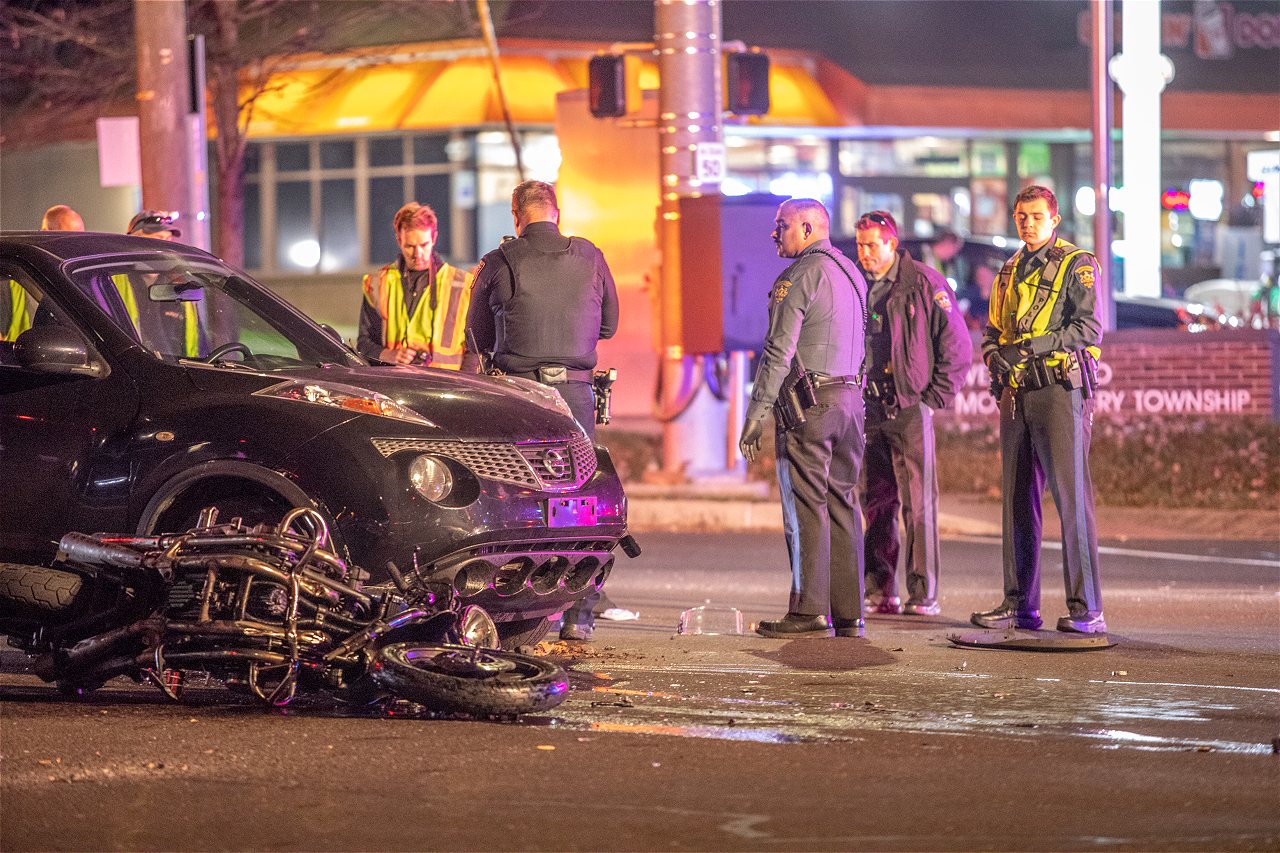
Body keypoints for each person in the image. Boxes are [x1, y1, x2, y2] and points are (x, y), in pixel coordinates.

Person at [463, 179, 619, 641]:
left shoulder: (499, 261)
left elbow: (477, 335)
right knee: (579, 499)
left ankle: (520, 605)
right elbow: (609, 324)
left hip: (521, 397)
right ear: (557, 212)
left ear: (517, 215)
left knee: (521, 497)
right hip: (575, 396)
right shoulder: (591, 256)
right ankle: (580, 613)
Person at [971, 185, 1106, 634]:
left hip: (1058, 390)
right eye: (1020, 216)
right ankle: (1019, 605)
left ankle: (1087, 609)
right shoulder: (1008, 269)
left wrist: (1029, 348)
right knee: (1016, 503)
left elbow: (1088, 327)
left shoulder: (1077, 265)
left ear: (1054, 219)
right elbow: (992, 331)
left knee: (1071, 502)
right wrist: (994, 357)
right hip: (1017, 394)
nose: (1027, 223)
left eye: (1035, 215)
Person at [739, 198, 866, 639]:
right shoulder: (852, 273)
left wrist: (755, 413)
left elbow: (778, 352)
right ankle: (849, 613)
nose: (775, 234)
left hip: (810, 407)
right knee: (843, 505)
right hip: (850, 401)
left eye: (783, 226)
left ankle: (809, 609)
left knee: (805, 507)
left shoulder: (798, 276)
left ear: (809, 229)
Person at [854, 211, 971, 617]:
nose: (865, 253)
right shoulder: (856, 284)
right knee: (876, 501)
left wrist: (932, 398)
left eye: (872, 245)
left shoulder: (922, 282)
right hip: (869, 407)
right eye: (860, 245)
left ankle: (923, 592)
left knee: (918, 504)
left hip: (908, 405)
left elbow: (957, 345)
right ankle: (880, 589)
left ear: (892, 242)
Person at [358, 202, 473, 369]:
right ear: (399, 240)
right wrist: (389, 355)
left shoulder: (463, 284)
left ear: (434, 238)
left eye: (424, 245)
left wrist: (466, 383)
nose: (417, 254)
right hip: (398, 384)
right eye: (409, 246)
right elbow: (363, 344)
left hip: (448, 387)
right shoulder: (377, 283)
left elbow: (475, 349)